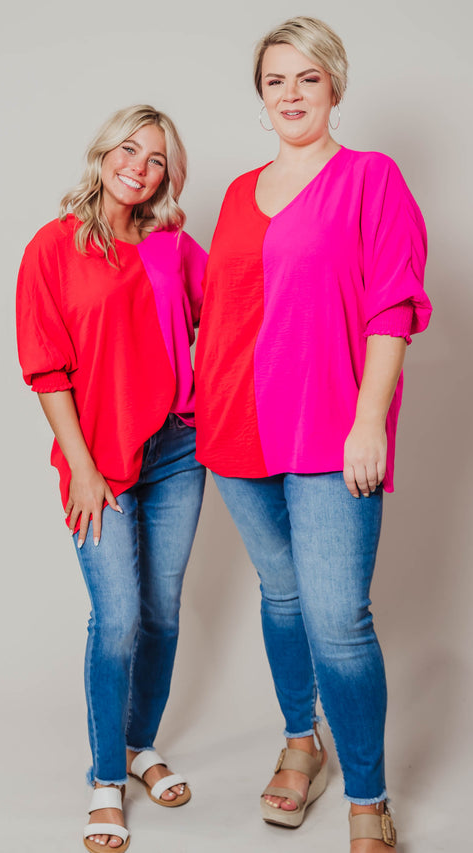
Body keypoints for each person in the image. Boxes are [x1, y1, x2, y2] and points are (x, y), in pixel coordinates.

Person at [194, 16, 431, 852]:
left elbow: (392, 306)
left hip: (332, 430)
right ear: (259, 99)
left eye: (305, 78)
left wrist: (370, 420)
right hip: (233, 428)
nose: (290, 94)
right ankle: (302, 739)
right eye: (274, 81)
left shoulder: (370, 178)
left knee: (338, 617)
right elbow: (221, 312)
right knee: (284, 597)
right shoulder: (233, 193)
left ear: (333, 84)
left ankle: (367, 795)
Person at [16, 104, 207, 852]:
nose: (139, 165)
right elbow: (45, 367)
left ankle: (138, 742)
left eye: (156, 158)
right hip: (99, 459)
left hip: (178, 451)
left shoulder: (171, 247)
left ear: (166, 175)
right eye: (129, 148)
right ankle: (105, 779)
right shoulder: (53, 247)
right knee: (119, 616)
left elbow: (225, 317)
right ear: (102, 154)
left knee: (160, 612)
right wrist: (85, 467)